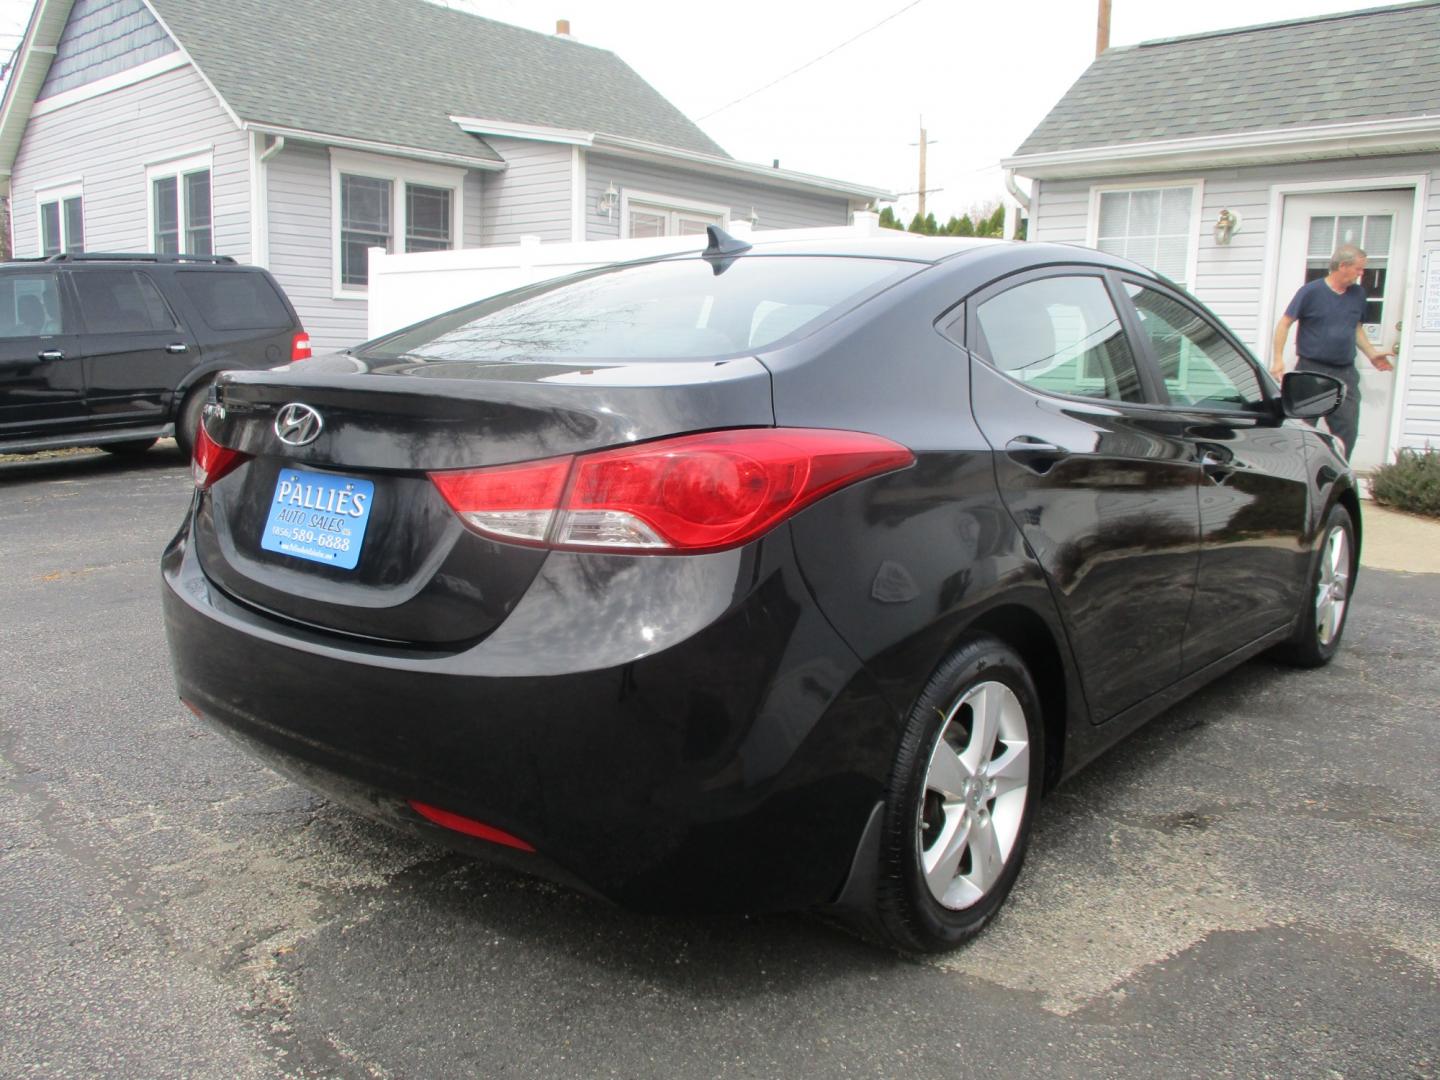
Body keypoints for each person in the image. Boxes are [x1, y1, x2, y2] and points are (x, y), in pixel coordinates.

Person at [1270, 243, 1393, 459]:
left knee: (1347, 429)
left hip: (1345, 372)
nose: (1361, 273)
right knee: (1302, 429)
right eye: (1358, 268)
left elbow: (1356, 329)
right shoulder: (1310, 292)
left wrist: (1372, 354)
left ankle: (1338, 475)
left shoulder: (1358, 294)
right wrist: (1278, 359)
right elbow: (1284, 324)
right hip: (1311, 371)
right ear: (1343, 266)